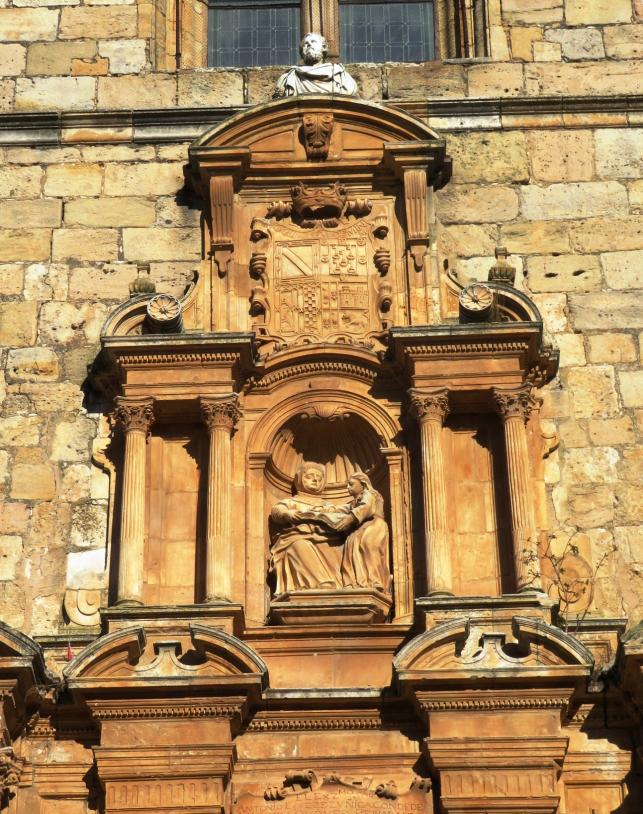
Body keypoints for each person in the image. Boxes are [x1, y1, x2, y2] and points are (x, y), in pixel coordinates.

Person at [270, 461, 346, 595]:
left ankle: (339, 585)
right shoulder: (292, 502)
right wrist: (288, 514)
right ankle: (322, 582)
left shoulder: (328, 505)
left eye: (319, 478)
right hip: (298, 537)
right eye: (310, 476)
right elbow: (277, 511)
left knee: (341, 547)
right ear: (299, 479)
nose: (315, 480)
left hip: (327, 538)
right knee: (299, 546)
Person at [339, 472, 391, 592]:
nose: (347, 487)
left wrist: (351, 518)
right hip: (360, 529)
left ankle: (374, 580)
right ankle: (355, 582)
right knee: (350, 549)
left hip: (374, 526)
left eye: (351, 484)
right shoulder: (354, 502)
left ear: (362, 484)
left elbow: (366, 507)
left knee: (369, 547)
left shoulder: (370, 494)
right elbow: (341, 509)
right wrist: (324, 509)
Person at [273, 32, 358, 99]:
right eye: (305, 44)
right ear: (302, 52)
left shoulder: (340, 76)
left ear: (324, 47)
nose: (309, 45)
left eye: (313, 41)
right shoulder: (289, 78)